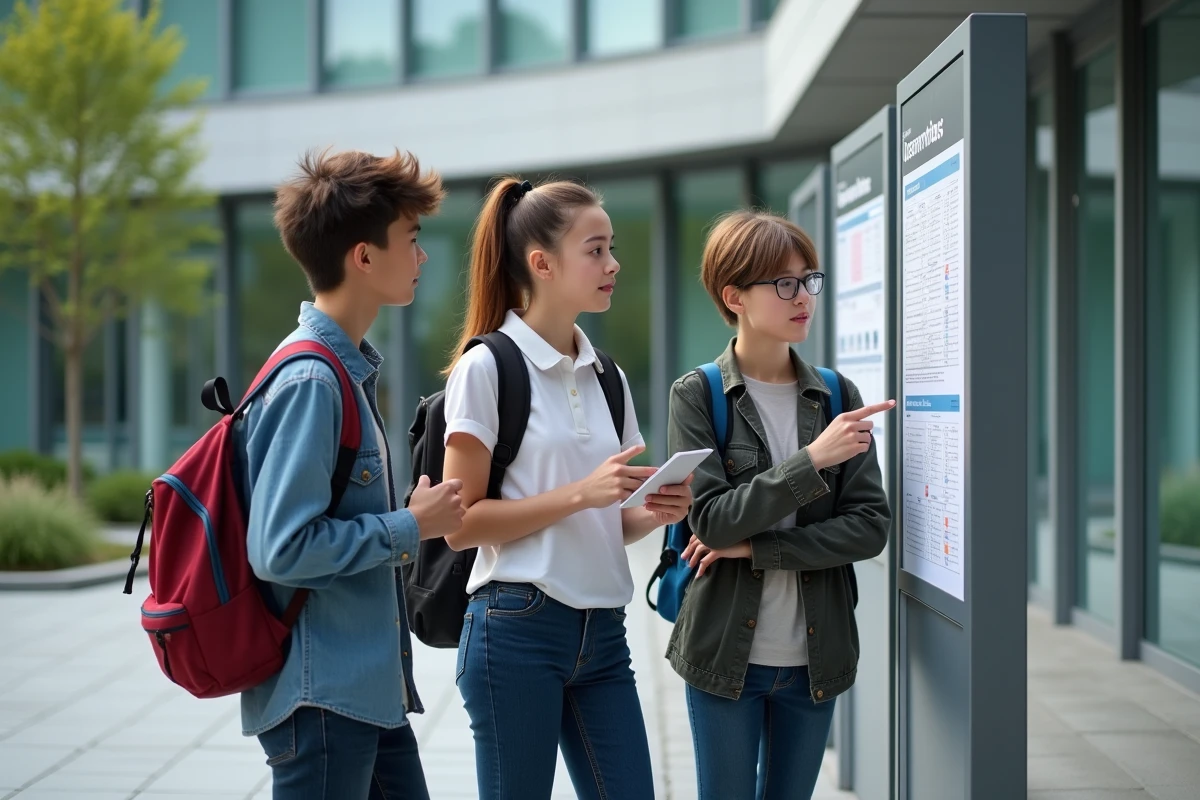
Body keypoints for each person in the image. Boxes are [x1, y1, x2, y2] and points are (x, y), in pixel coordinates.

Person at [440, 177, 694, 800]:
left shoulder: (608, 375)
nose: (614, 264)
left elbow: (612, 518)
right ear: (542, 264)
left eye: (611, 249)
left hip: (604, 632)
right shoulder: (486, 367)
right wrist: (582, 494)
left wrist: (654, 510)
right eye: (597, 249)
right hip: (515, 627)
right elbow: (457, 523)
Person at [235, 147, 465, 799]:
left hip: (367, 695)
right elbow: (281, 549)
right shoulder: (313, 380)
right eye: (412, 240)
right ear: (364, 257)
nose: (421, 257)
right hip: (324, 702)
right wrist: (409, 525)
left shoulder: (345, 371)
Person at [666, 210, 893, 800]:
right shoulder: (699, 395)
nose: (803, 298)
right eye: (784, 284)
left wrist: (757, 547)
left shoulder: (838, 395)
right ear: (734, 295)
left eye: (808, 280)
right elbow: (711, 520)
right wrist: (811, 461)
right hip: (724, 656)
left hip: (817, 658)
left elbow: (869, 528)